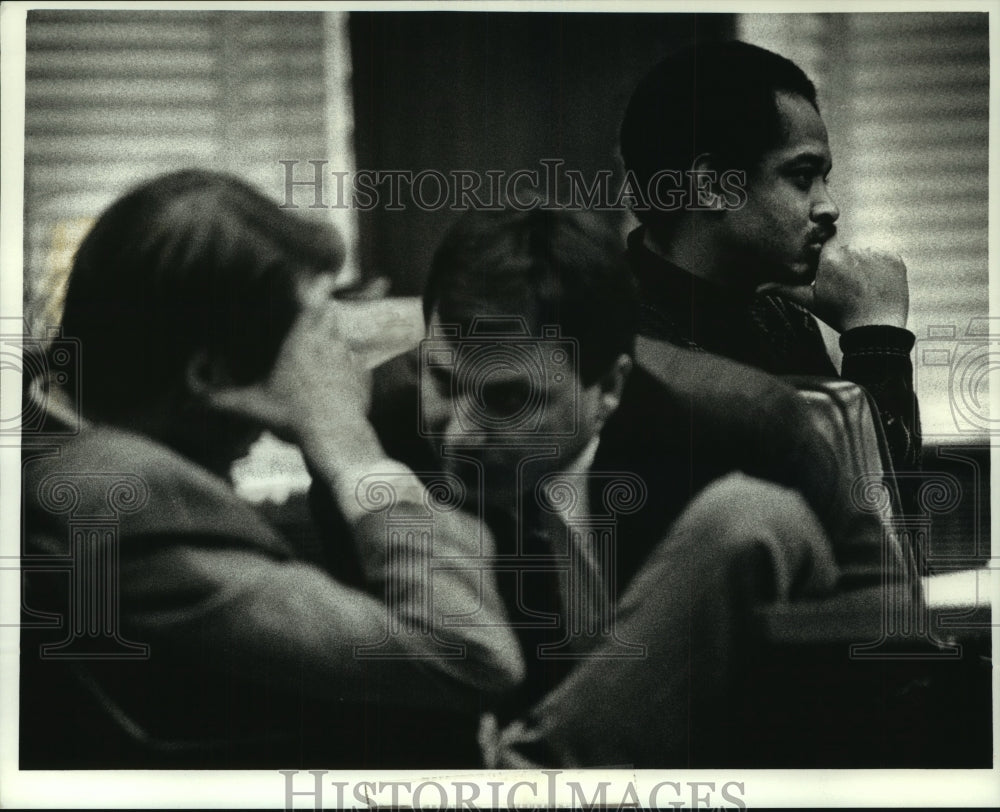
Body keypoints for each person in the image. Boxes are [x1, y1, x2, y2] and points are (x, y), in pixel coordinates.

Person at [19, 169, 523, 769]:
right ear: (210, 376)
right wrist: (349, 444)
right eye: (310, 329)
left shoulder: (52, 431)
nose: (332, 354)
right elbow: (469, 652)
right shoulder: (123, 499)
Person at [369, 205, 905, 765]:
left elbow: (892, 633)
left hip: (730, 762)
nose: (459, 433)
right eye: (444, 381)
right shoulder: (382, 431)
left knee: (746, 517)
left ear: (609, 386)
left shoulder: (744, 426)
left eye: (507, 399)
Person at [619, 40, 920, 475]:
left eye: (825, 179)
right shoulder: (623, 342)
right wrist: (877, 339)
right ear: (712, 187)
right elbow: (855, 507)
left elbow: (887, 531)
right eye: (802, 177)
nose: (828, 206)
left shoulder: (775, 314)